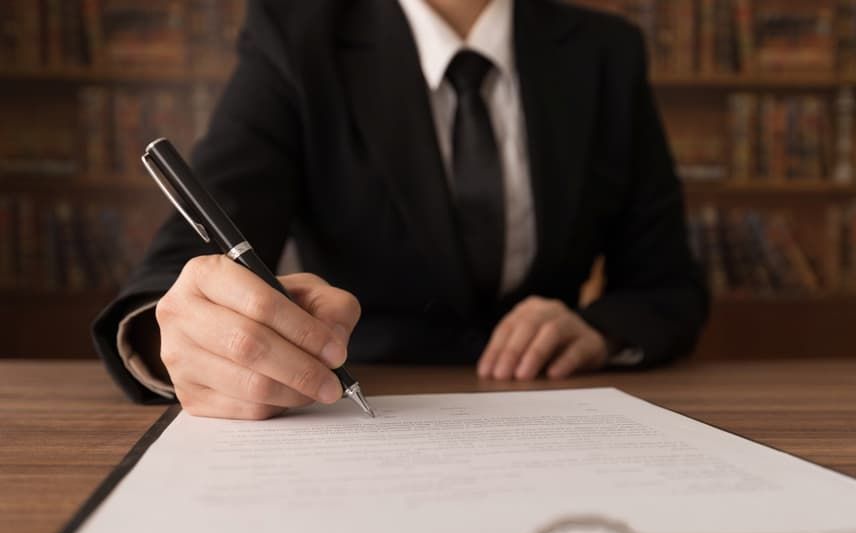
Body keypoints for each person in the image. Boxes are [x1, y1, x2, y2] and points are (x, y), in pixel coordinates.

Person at [92, 0, 709, 419]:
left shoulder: (607, 52)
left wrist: (600, 331)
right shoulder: (297, 36)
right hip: (354, 399)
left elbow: (668, 287)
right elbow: (187, 260)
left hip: (559, 406)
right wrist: (174, 334)